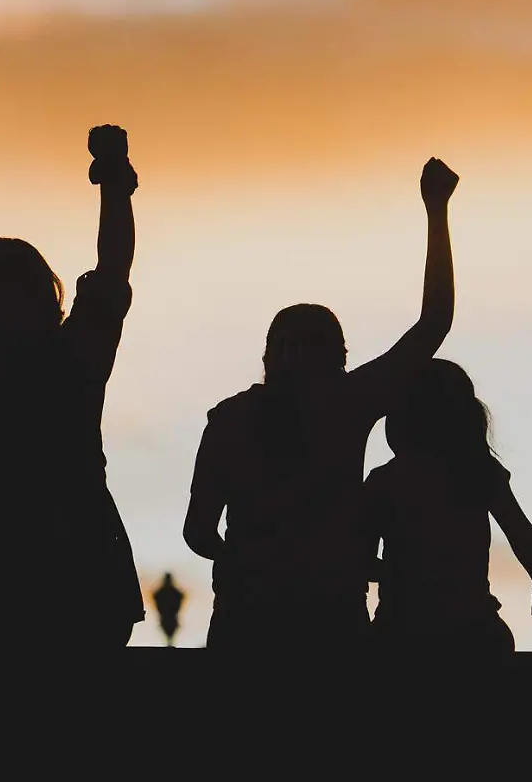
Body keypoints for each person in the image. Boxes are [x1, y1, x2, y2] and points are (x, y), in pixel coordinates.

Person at [185, 158, 458, 653]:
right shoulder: (344, 405)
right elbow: (433, 323)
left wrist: (248, 560)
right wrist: (436, 212)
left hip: (260, 613)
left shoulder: (236, 419)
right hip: (314, 610)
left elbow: (199, 530)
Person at [0, 125, 144, 649]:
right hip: (62, 596)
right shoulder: (65, 368)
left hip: (9, 601)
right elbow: (112, 271)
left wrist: (113, 186)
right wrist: (113, 184)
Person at [364, 359, 532, 653]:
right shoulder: (479, 471)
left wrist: (402, 573)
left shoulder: (385, 482)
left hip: (402, 629)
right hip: (475, 629)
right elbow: (519, 530)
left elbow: (359, 560)